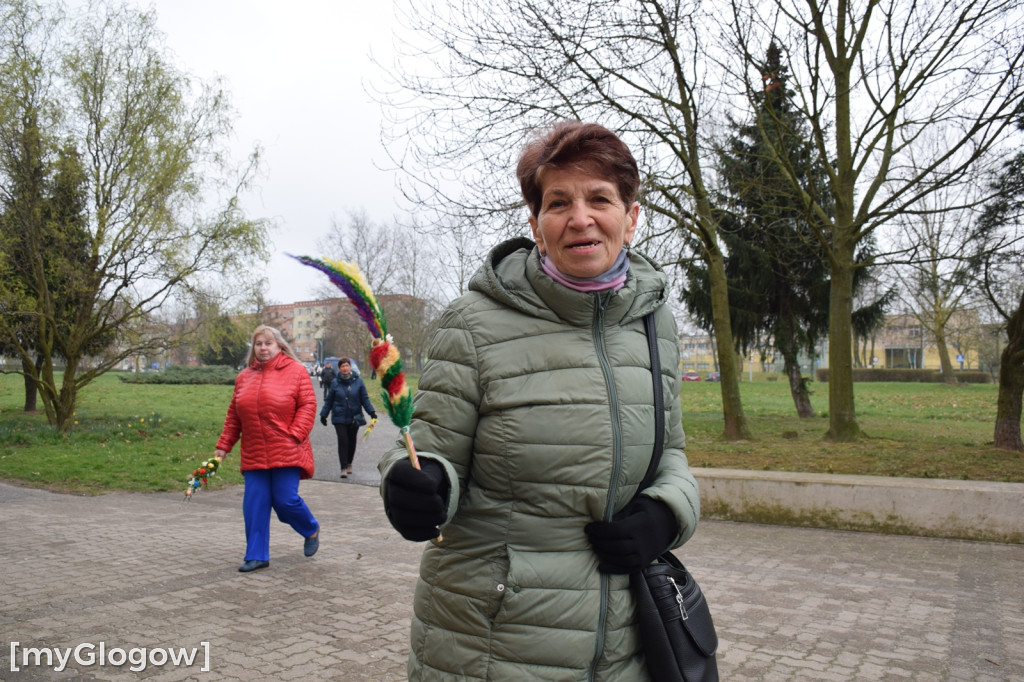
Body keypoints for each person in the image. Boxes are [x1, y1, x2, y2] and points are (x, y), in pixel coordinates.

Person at [377, 121, 701, 680]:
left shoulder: (656, 324)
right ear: (536, 225)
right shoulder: (473, 323)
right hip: (491, 642)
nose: (580, 218)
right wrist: (416, 486)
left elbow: (670, 451)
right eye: (558, 203)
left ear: (631, 217)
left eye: (599, 198)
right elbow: (431, 452)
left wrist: (666, 513)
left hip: (624, 643)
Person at [215, 325, 320, 573]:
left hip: (287, 448)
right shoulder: (244, 377)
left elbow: (308, 405)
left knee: (285, 501)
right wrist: (223, 446)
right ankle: (256, 555)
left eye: (268, 343)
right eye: (258, 343)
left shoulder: (296, 371)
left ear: (279, 346)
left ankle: (310, 529)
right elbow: (234, 416)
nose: (263, 348)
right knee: (255, 503)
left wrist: (295, 434)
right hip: (254, 451)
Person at [320, 357, 377, 478]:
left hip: (354, 417)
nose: (345, 368)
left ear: (350, 367)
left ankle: (349, 462)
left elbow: (364, 399)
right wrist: (323, 415)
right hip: (339, 417)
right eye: (342, 366)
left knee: (351, 441)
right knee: (343, 441)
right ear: (339, 369)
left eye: (347, 366)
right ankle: (343, 467)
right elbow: (329, 401)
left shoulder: (358, 381)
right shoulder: (335, 383)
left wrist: (371, 412)